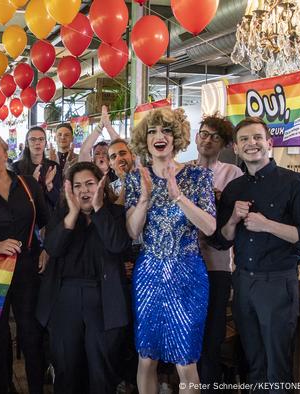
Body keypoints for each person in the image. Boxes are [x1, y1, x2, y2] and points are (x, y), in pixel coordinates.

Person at [212, 117, 300, 393]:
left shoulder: (293, 183)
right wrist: (232, 222)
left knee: (277, 366)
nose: (252, 144)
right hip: (242, 283)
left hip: (277, 282)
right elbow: (221, 242)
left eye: (257, 138)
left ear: (269, 143)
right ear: (236, 149)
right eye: (244, 140)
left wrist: (268, 226)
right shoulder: (234, 189)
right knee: (252, 360)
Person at [124, 108, 216, 394]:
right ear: (145, 139)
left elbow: (210, 227)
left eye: (165, 130)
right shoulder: (135, 178)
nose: (158, 136)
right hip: (149, 274)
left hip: (187, 274)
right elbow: (132, 231)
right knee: (146, 357)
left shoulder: (198, 176)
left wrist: (178, 197)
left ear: (175, 138)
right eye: (152, 131)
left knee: (186, 361)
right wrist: (144, 200)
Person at [37, 162, 131, 393]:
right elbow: (53, 248)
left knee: (101, 368)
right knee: (67, 367)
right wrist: (72, 215)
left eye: (90, 184)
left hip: (104, 298)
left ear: (101, 185)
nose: (84, 190)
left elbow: (118, 245)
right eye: (77, 185)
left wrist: (99, 209)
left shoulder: (116, 213)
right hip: (65, 297)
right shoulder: (62, 214)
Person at [0, 132, 50, 394]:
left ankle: (36, 388)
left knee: (31, 335)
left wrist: (46, 248)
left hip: (28, 268)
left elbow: (48, 222)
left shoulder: (28, 185)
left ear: (5, 152)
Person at [190, 115, 243, 391]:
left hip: (217, 266)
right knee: (189, 336)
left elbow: (239, 218)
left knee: (212, 336)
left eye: (214, 137)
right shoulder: (184, 171)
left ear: (223, 144)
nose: (207, 139)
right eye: (204, 133)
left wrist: (220, 201)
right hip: (185, 264)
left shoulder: (232, 175)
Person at [11, 126, 63, 209]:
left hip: (49, 218)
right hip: (27, 218)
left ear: (45, 143)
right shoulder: (16, 168)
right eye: (33, 139)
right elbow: (14, 200)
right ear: (27, 143)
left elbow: (58, 202)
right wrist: (32, 184)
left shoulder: (54, 167)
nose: (37, 143)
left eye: (41, 139)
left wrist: (49, 185)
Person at [79, 106, 121, 182]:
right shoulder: (89, 173)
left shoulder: (117, 173)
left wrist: (108, 125)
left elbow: (120, 146)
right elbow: (84, 152)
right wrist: (100, 125)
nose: (101, 156)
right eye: (97, 154)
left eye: (105, 153)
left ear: (110, 159)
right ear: (93, 159)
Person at [107, 138, 136, 203]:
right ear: (110, 164)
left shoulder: (147, 179)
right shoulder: (110, 189)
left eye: (122, 153)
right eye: (113, 157)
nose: (119, 159)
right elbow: (117, 212)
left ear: (133, 156)